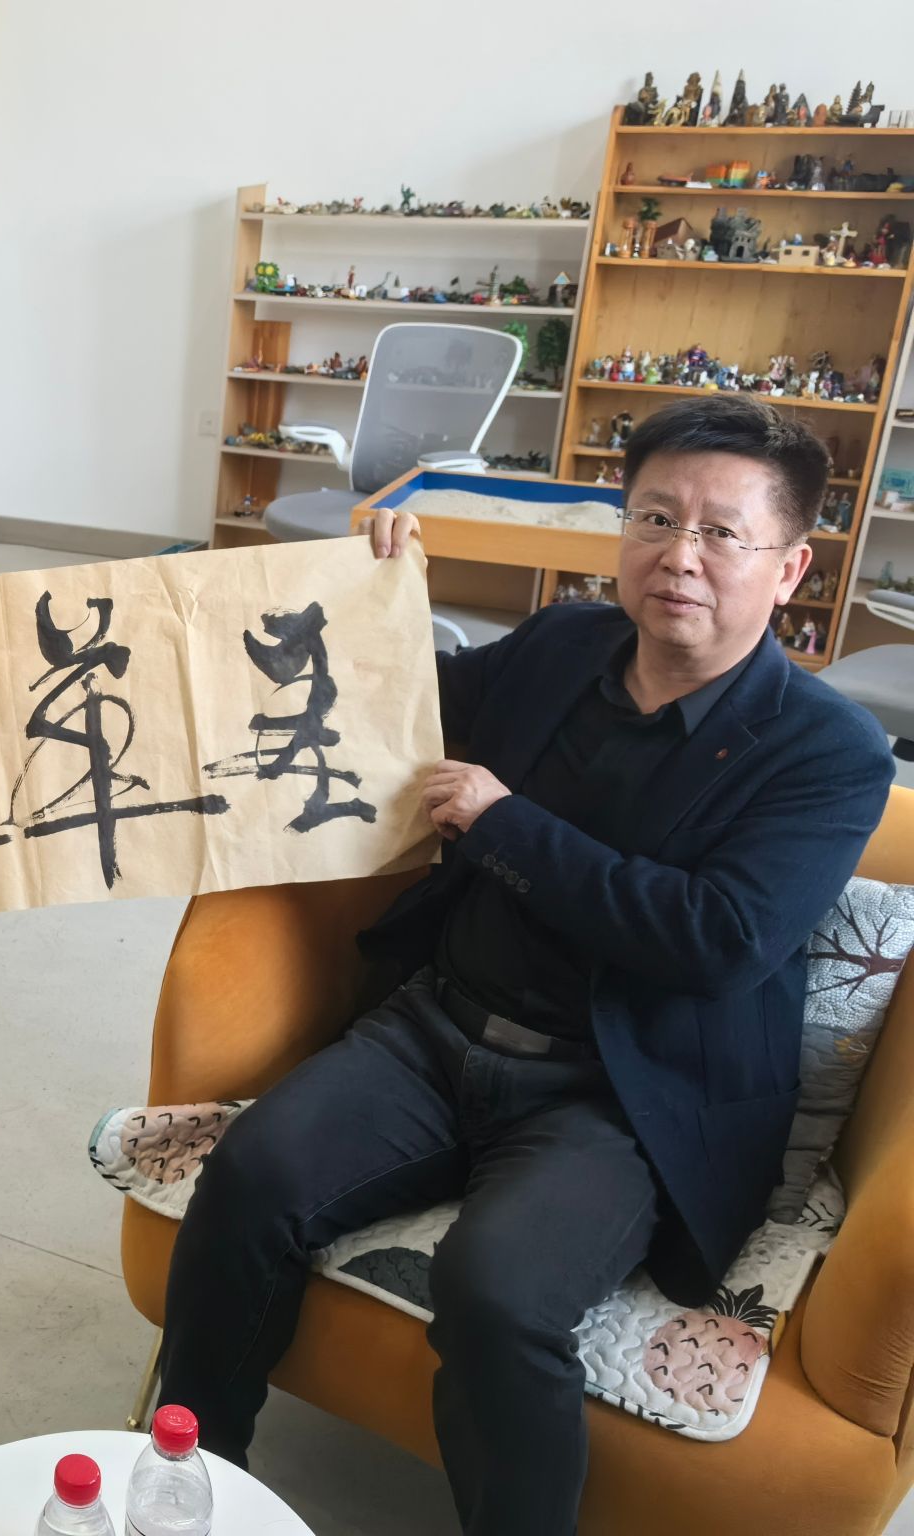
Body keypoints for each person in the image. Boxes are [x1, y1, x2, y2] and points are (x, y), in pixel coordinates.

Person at [159, 394, 894, 1534]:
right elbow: (396, 706)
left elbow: (718, 940)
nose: (678, 555)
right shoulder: (564, 646)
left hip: (623, 1095)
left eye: (720, 532)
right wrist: (367, 595)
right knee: (251, 1177)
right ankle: (187, 1477)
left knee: (496, 1293)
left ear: (789, 566)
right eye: (655, 518)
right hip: (438, 1027)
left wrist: (505, 824)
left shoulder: (828, 751)